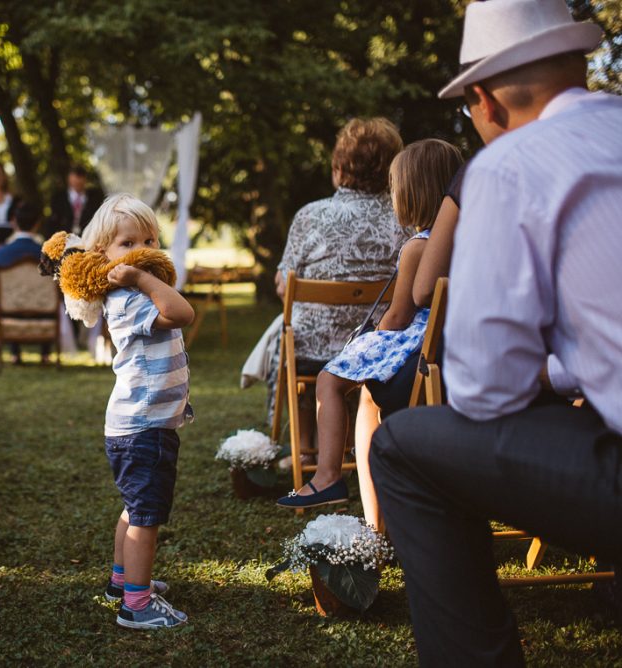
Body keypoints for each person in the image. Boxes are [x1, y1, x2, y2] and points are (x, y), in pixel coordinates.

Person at [369, 1, 622, 664]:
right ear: (580, 61)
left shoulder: (510, 165)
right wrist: (572, 368)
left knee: (404, 447)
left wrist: (547, 367)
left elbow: (484, 391)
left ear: (484, 101)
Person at [277, 139, 463, 512]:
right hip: (450, 344)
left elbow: (398, 316)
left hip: (416, 344)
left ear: (412, 194)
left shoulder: (417, 249)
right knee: (362, 391)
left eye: (396, 189)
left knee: (330, 381)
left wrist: (373, 338)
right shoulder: (466, 241)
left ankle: (327, 476)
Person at [81, 193, 195, 629]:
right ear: (102, 255)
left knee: (133, 507)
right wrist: (145, 280)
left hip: (142, 423)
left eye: (149, 240)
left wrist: (144, 276)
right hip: (143, 426)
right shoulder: (130, 299)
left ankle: (121, 580)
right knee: (145, 516)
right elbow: (182, 311)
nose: (142, 251)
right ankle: (137, 605)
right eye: (128, 243)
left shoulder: (134, 292)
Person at [260, 117, 407, 450]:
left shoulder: (311, 216)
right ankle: (358, 440)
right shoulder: (405, 217)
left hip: (310, 350)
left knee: (285, 336)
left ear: (339, 169)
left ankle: (302, 446)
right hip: (377, 347)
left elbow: (284, 286)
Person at [0, 202, 51, 364]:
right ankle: (45, 354)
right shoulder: (47, 254)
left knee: (8, 299)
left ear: (14, 223)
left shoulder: (0, 254)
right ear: (37, 224)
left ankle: (15, 353)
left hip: (11, 312)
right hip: (44, 312)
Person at [45, 165, 103, 238]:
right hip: (64, 241)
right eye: (75, 177)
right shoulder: (58, 198)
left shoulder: (95, 198)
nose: (78, 181)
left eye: (80, 177)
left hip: (88, 239)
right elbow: (53, 222)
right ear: (68, 178)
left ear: (85, 179)